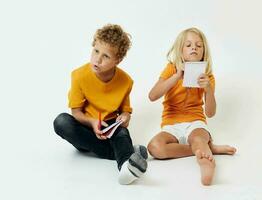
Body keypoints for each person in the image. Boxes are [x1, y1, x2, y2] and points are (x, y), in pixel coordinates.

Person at [53, 24, 148, 185]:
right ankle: (126, 152)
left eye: (106, 56)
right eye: (96, 51)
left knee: (122, 133)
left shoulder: (126, 81)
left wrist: (125, 117)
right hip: (86, 127)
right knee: (61, 121)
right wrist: (92, 122)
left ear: (118, 60)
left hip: (110, 126)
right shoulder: (78, 76)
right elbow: (76, 112)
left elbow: (125, 112)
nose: (97, 59)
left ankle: (126, 166)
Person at [147, 27, 236, 186]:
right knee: (154, 147)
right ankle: (206, 148)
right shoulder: (172, 68)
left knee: (197, 138)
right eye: (188, 45)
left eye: (198, 45)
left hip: (195, 122)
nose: (193, 47)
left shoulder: (207, 77)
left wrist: (208, 88)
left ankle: (206, 162)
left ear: (203, 52)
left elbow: (210, 113)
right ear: (180, 51)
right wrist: (176, 77)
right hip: (171, 124)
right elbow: (152, 96)